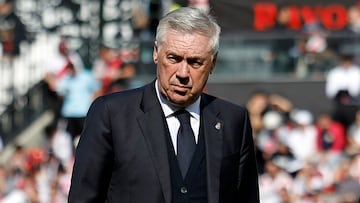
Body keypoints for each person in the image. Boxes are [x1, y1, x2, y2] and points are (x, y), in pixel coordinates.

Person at [68, 7, 259, 203]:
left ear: (213, 63)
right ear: (156, 53)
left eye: (195, 62)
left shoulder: (233, 120)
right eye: (173, 58)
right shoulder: (112, 114)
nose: (183, 73)